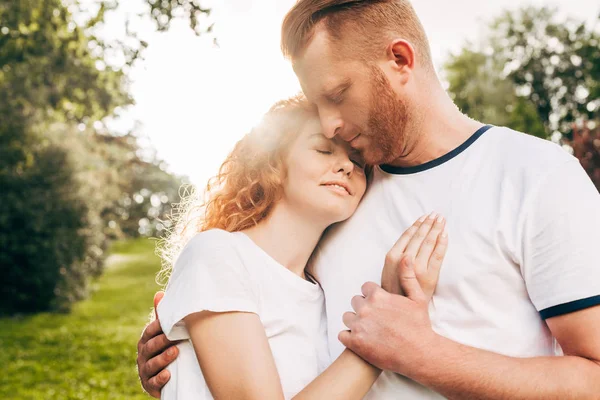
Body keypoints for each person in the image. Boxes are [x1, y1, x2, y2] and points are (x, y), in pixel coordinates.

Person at [138, 1, 600, 398]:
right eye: (316, 106)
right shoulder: (335, 196)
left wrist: (423, 354)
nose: (330, 124)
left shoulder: (537, 176)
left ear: (400, 59)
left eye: (337, 94)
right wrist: (185, 351)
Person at [151, 95, 449, 399]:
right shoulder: (217, 253)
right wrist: (381, 335)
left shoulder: (324, 295)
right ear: (273, 166)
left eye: (358, 162)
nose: (346, 165)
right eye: (323, 149)